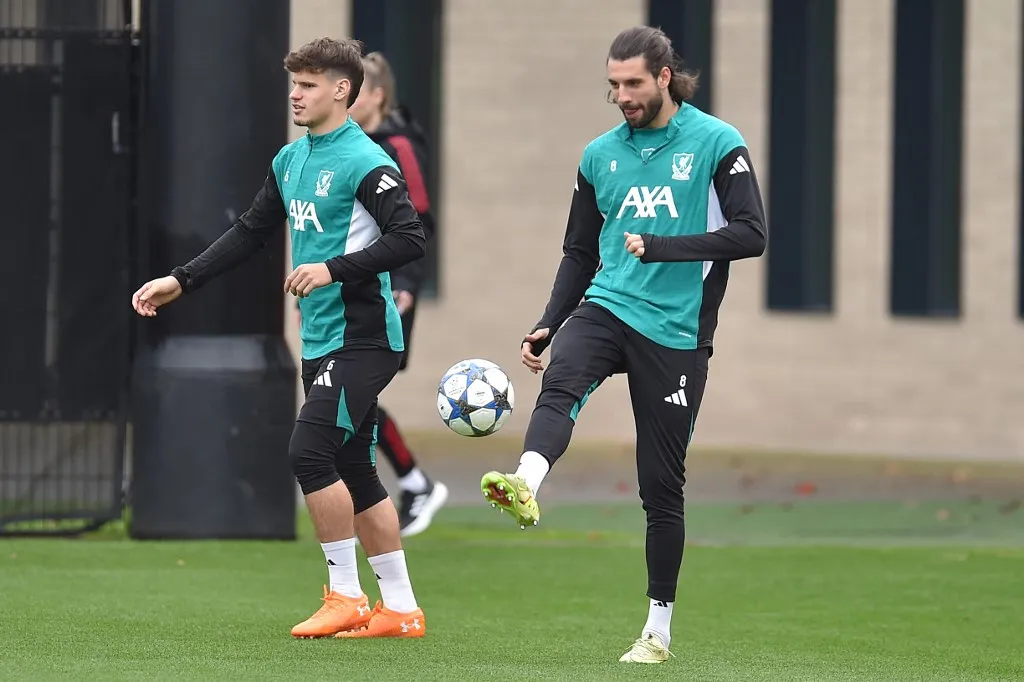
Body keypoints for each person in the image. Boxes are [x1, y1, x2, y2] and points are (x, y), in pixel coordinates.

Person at [479, 25, 767, 663]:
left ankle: (658, 629)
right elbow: (580, 251)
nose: (622, 96)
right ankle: (525, 481)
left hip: (677, 331)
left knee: (660, 484)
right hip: (606, 305)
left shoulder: (718, 143)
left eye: (633, 83)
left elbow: (752, 234)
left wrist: (665, 247)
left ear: (665, 77)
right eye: (613, 85)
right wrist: (550, 320)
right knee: (562, 378)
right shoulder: (598, 155)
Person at [131, 37, 428, 640]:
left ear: (343, 90)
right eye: (293, 83)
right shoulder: (291, 161)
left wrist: (331, 270)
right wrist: (180, 280)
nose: (295, 93)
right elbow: (248, 233)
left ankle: (346, 595)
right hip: (320, 339)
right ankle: (400, 609)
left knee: (307, 452)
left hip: (366, 338)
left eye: (310, 83)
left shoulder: (367, 160)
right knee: (355, 468)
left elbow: (410, 238)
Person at [345, 51, 448, 537]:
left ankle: (412, 482)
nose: (346, 101)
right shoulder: (346, 146)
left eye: (356, 91)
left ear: (378, 96)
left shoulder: (398, 146)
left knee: (354, 392)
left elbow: (418, 220)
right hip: (342, 291)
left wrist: (406, 283)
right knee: (349, 395)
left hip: (387, 288)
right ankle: (408, 483)